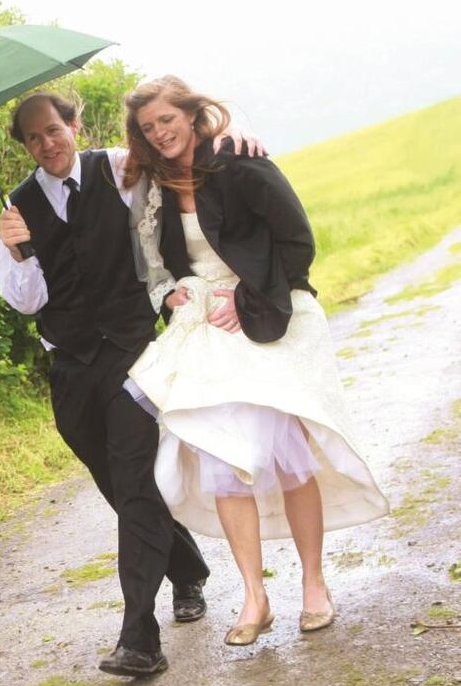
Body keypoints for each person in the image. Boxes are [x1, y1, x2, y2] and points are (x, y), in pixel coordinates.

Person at [0, 92, 262, 676]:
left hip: (134, 353)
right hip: (70, 365)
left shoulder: (120, 166)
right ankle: (187, 566)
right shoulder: (15, 207)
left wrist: (233, 137)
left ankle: (140, 636)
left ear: (73, 124)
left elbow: (180, 149)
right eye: (34, 137)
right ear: (25, 146)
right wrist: (16, 251)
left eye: (54, 129)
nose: (48, 143)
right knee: (116, 482)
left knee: (136, 479)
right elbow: (25, 303)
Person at [122, 75, 389, 646]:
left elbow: (297, 241)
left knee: (288, 453)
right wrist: (168, 293)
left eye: (168, 120)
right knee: (224, 460)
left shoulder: (238, 161)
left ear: (192, 116)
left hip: (267, 310)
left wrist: (247, 301)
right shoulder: (155, 185)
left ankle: (314, 584)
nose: (160, 133)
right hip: (205, 324)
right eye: (148, 128)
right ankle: (254, 595)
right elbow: (155, 261)